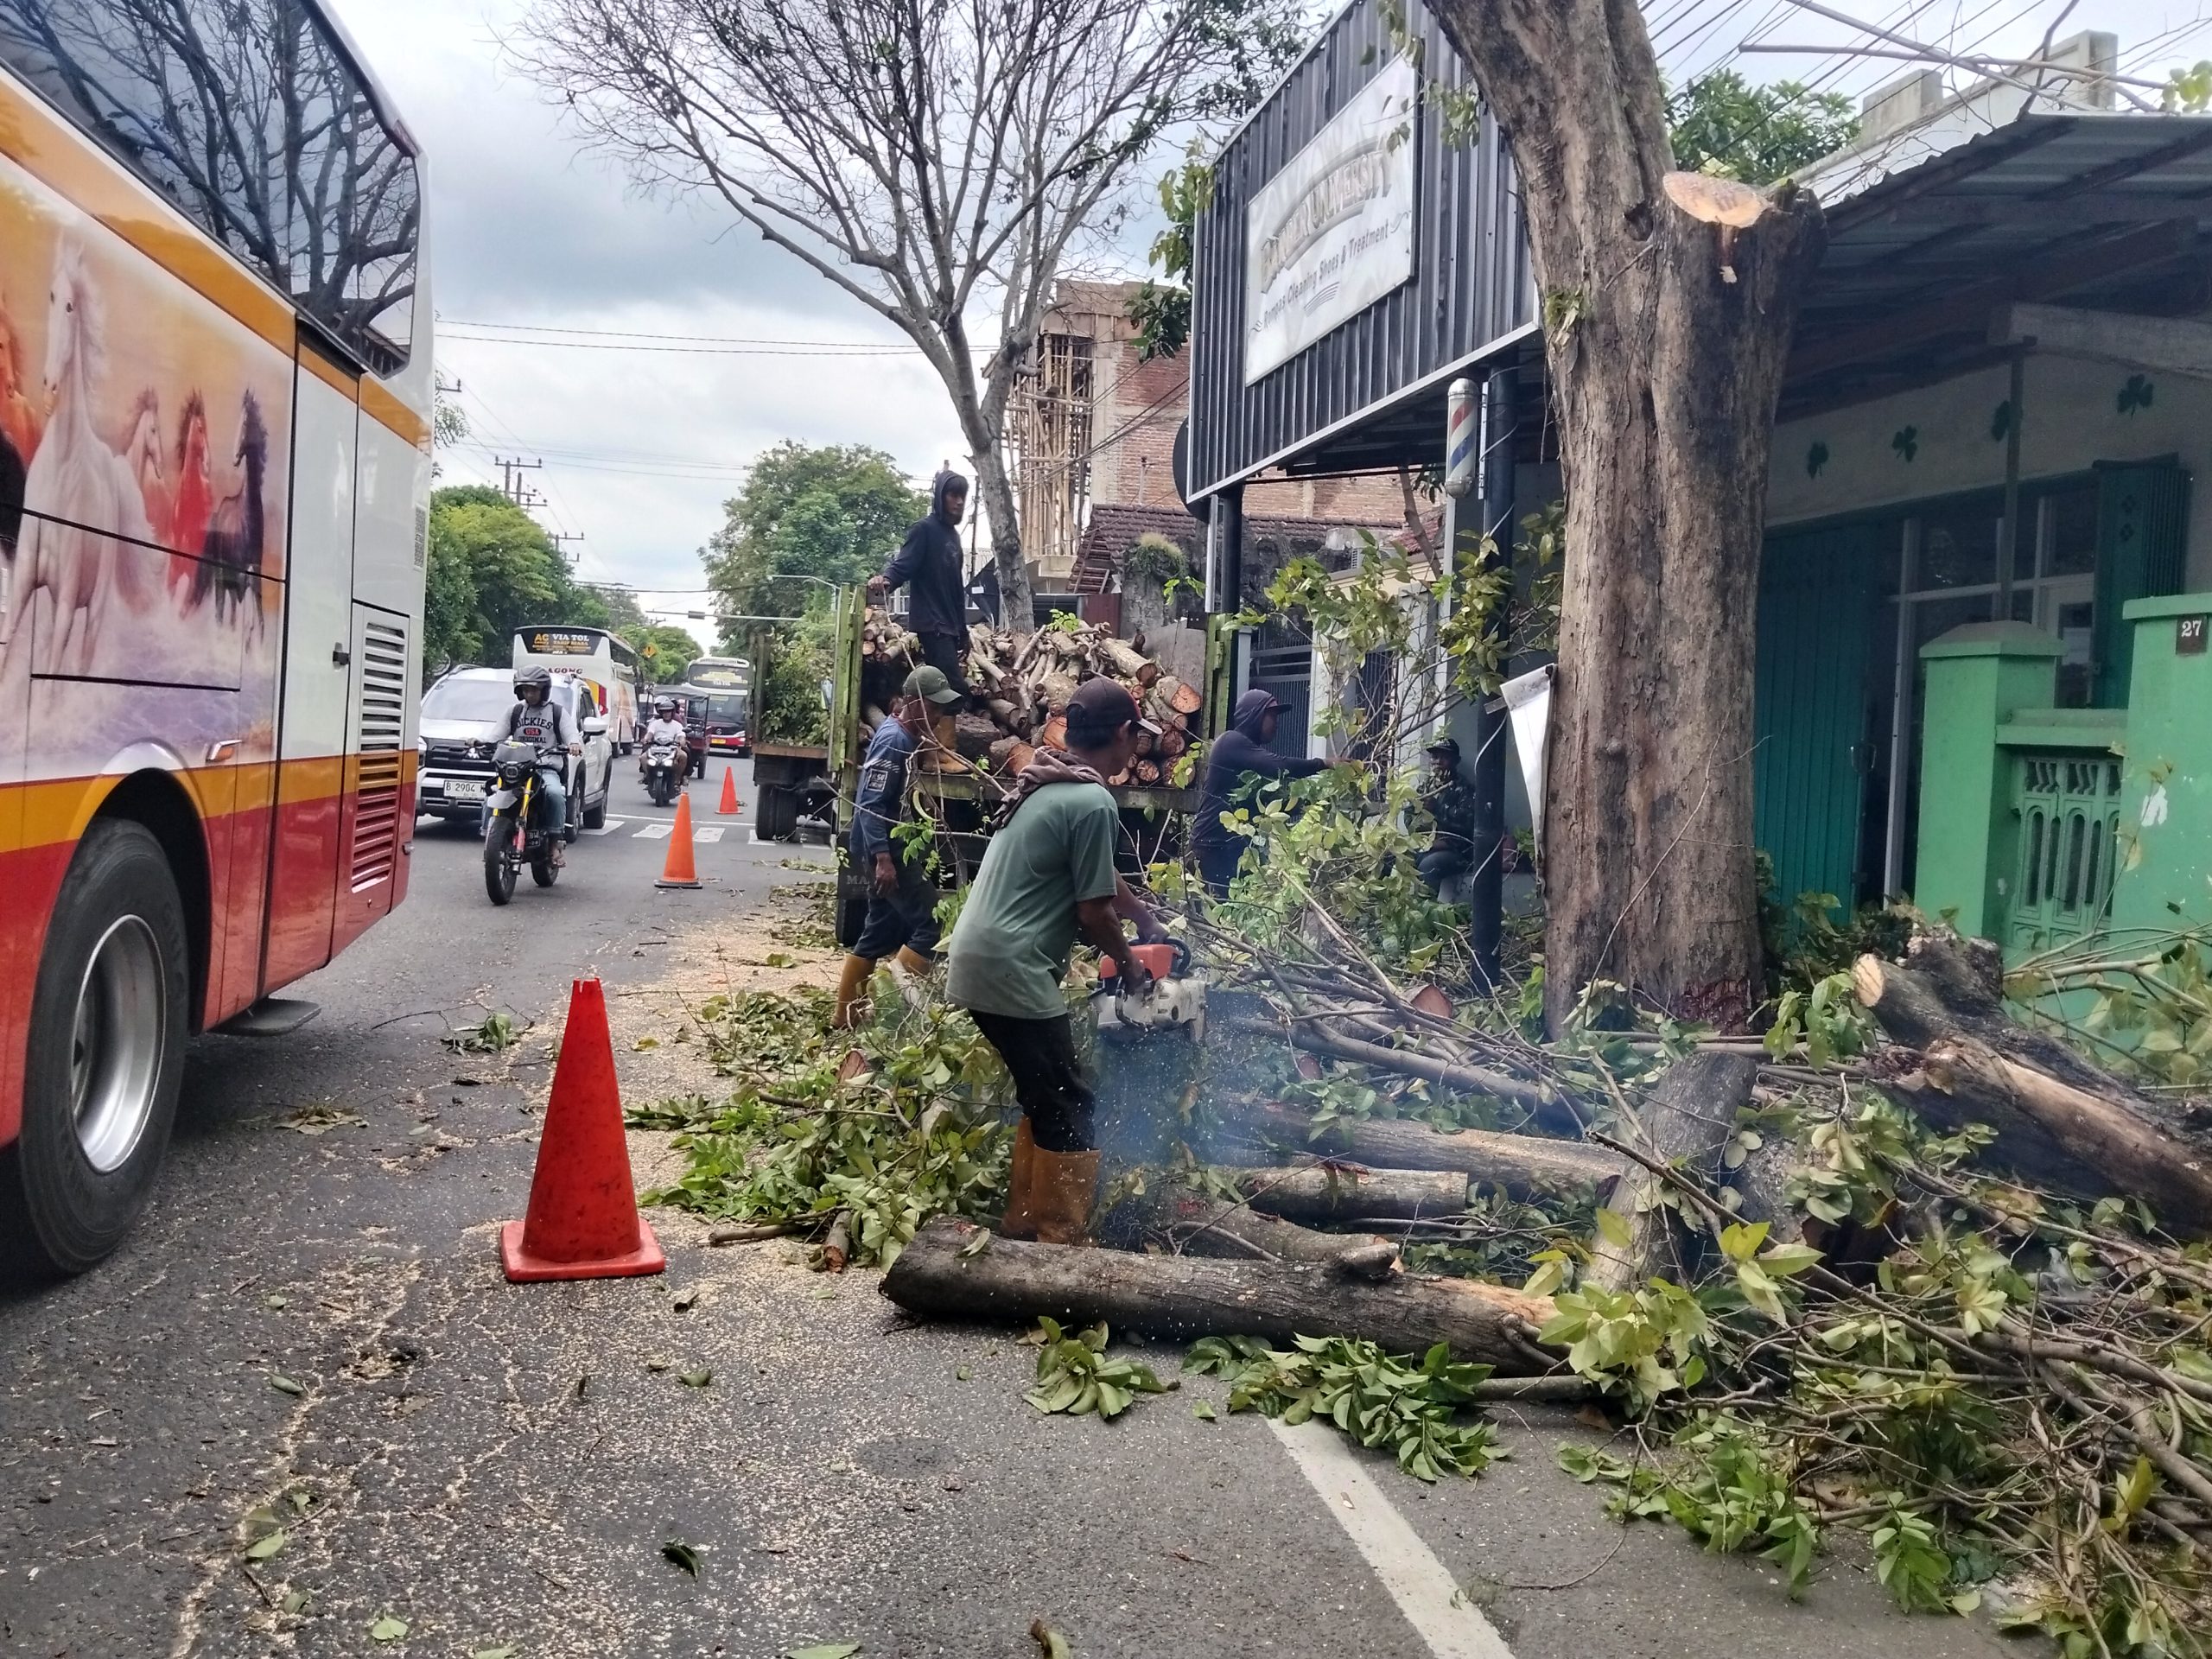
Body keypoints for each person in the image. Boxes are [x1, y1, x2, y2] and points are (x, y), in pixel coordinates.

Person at [945, 678, 1168, 1243]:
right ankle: (1059, 1243)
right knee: (1071, 1100)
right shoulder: (1090, 799)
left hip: (981, 958)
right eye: (1134, 739)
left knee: (1046, 1094)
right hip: (1011, 968)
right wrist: (1132, 962)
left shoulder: (1049, 784)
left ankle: (1024, 1226)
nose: (1133, 750)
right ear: (1123, 735)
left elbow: (1096, 875)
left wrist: (1143, 918)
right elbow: (1092, 913)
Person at [833, 664, 965, 1029]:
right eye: (933, 707)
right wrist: (882, 859)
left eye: (941, 708)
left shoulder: (907, 737)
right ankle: (897, 1010)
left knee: (880, 929)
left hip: (886, 848)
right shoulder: (895, 740)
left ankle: (846, 1016)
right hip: (884, 851)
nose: (938, 715)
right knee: (930, 927)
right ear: (912, 702)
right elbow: (871, 803)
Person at [1192, 689, 1334, 896]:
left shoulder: (1250, 758)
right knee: (1215, 918)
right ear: (1254, 715)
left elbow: (1274, 804)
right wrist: (1324, 763)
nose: (1275, 723)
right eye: (1271, 716)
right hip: (1210, 849)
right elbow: (1277, 765)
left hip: (1233, 849)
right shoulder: (1231, 741)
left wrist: (1321, 802)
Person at [868, 470, 972, 698]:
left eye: (962, 495)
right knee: (954, 690)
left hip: (949, 626)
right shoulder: (924, 529)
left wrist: (963, 632)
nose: (960, 501)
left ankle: (926, 727)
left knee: (940, 689)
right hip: (932, 624)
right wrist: (885, 580)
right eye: (953, 495)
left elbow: (957, 589)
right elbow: (904, 564)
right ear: (940, 497)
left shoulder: (953, 537)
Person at [504, 665, 581, 867]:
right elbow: (496, 735)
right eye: (525, 690)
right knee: (494, 793)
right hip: (518, 767)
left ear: (544, 690)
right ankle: (490, 838)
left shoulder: (556, 712)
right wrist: (479, 741)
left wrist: (573, 744)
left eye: (534, 690)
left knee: (555, 793)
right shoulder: (515, 711)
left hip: (545, 768)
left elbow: (571, 733)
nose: (529, 694)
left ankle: (555, 844)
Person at [1415, 734, 1478, 894]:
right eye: (1435, 757)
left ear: (1456, 761)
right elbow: (1410, 819)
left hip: (1458, 852)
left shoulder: (1466, 790)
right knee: (1388, 858)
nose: (1438, 762)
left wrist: (1438, 809)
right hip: (1425, 846)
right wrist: (1420, 816)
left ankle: (1424, 913)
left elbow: (1468, 823)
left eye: (1444, 758)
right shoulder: (1424, 788)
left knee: (1429, 865)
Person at [639, 696, 689, 780]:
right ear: (661, 713)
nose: (666, 714)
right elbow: (650, 733)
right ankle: (648, 776)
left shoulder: (677, 725)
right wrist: (646, 739)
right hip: (655, 747)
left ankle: (678, 778)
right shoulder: (655, 723)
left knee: (683, 756)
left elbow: (681, 736)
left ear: (672, 713)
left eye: (668, 712)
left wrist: (682, 741)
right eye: (664, 712)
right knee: (643, 757)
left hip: (673, 748)